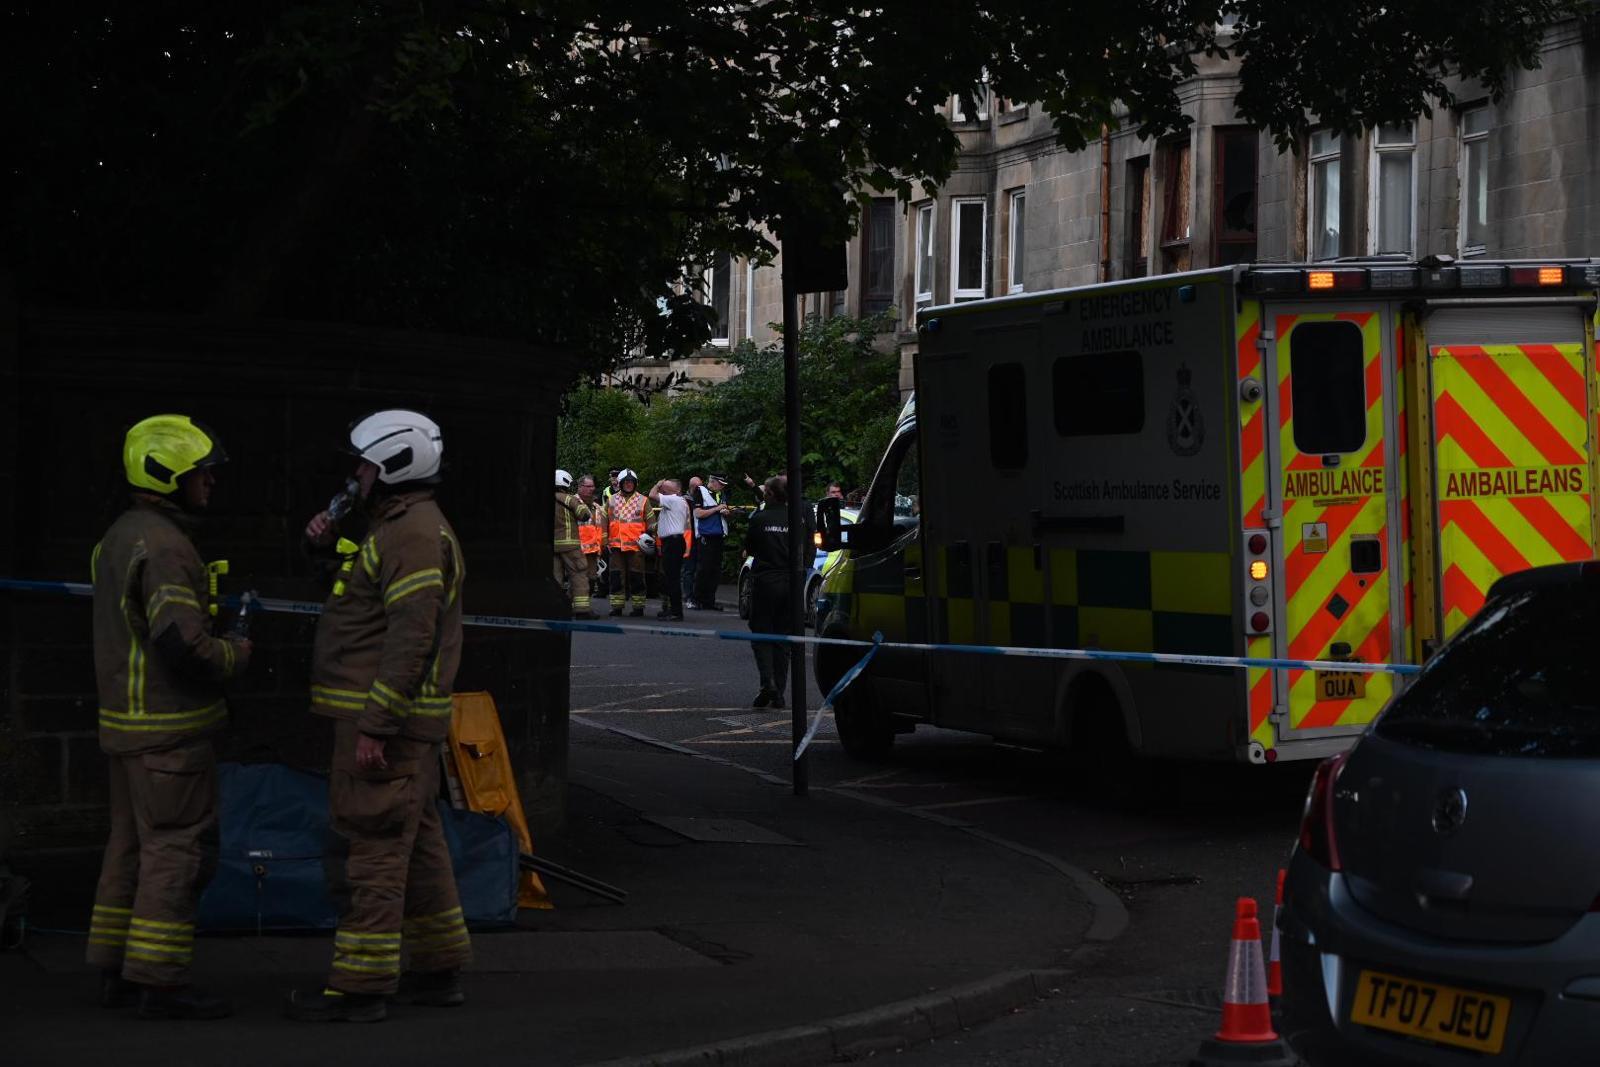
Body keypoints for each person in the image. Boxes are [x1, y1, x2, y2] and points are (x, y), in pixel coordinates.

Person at [287, 409, 471, 1023]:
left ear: (394, 466)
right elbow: (364, 603)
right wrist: (322, 547)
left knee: (373, 851)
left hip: (384, 726)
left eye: (365, 464)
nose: (356, 474)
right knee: (414, 843)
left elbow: (410, 639)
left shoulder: (411, 534)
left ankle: (361, 988)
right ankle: (438, 970)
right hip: (393, 723)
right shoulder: (395, 527)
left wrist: (376, 726)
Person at [88, 415, 252, 1020]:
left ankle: (115, 968)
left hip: (126, 727)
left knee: (128, 847)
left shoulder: (119, 535)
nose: (210, 482)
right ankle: (160, 982)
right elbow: (182, 644)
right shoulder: (166, 545)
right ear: (169, 474)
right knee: (175, 852)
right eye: (201, 473)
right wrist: (235, 653)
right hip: (169, 730)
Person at [744, 475, 810, 708]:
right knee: (783, 638)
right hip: (792, 583)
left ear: (770, 494)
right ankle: (779, 692)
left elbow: (750, 547)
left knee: (761, 633)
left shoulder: (760, 519)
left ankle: (768, 683)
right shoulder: (798, 520)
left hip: (766, 581)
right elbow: (806, 550)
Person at [607, 468, 648, 617]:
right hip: (616, 546)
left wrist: (649, 538)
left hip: (636, 547)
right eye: (627, 482)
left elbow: (652, 523)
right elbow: (604, 522)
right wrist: (605, 541)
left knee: (637, 577)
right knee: (616, 577)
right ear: (621, 483)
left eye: (632, 482)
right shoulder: (611, 500)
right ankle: (616, 607)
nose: (629, 485)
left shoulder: (643, 500)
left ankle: (638, 608)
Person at [648, 478, 690, 620]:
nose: (662, 491)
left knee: (672, 579)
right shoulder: (675, 503)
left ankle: (676, 612)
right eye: (662, 489)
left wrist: (657, 484)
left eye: (666, 489)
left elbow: (652, 495)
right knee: (669, 578)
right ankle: (671, 609)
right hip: (673, 542)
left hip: (673, 543)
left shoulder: (674, 499)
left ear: (677, 490)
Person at [552, 469, 592, 616]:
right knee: (579, 574)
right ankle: (582, 610)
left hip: (552, 546)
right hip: (570, 545)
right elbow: (584, 514)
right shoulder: (569, 499)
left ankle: (554, 609)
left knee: (555, 578)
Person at [691, 473, 732, 610]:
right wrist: (716, 509)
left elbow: (722, 511)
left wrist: (727, 512)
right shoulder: (700, 491)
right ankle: (696, 599)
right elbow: (697, 513)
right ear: (713, 482)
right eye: (721, 484)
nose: (722, 487)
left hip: (719, 536)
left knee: (715, 570)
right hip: (705, 535)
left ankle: (710, 601)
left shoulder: (721, 494)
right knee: (703, 569)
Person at [576, 473, 606, 615]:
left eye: (592, 486)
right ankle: (577, 608)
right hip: (577, 550)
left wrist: (600, 550)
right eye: (588, 486)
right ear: (580, 487)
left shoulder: (597, 508)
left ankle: (584, 607)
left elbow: (600, 530)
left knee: (591, 579)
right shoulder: (572, 504)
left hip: (593, 551)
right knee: (578, 580)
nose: (591, 489)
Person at [681, 475, 703, 609]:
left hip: (699, 537)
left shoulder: (700, 499)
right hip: (688, 538)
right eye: (698, 487)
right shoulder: (684, 501)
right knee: (688, 569)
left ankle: (696, 597)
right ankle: (688, 596)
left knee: (698, 569)